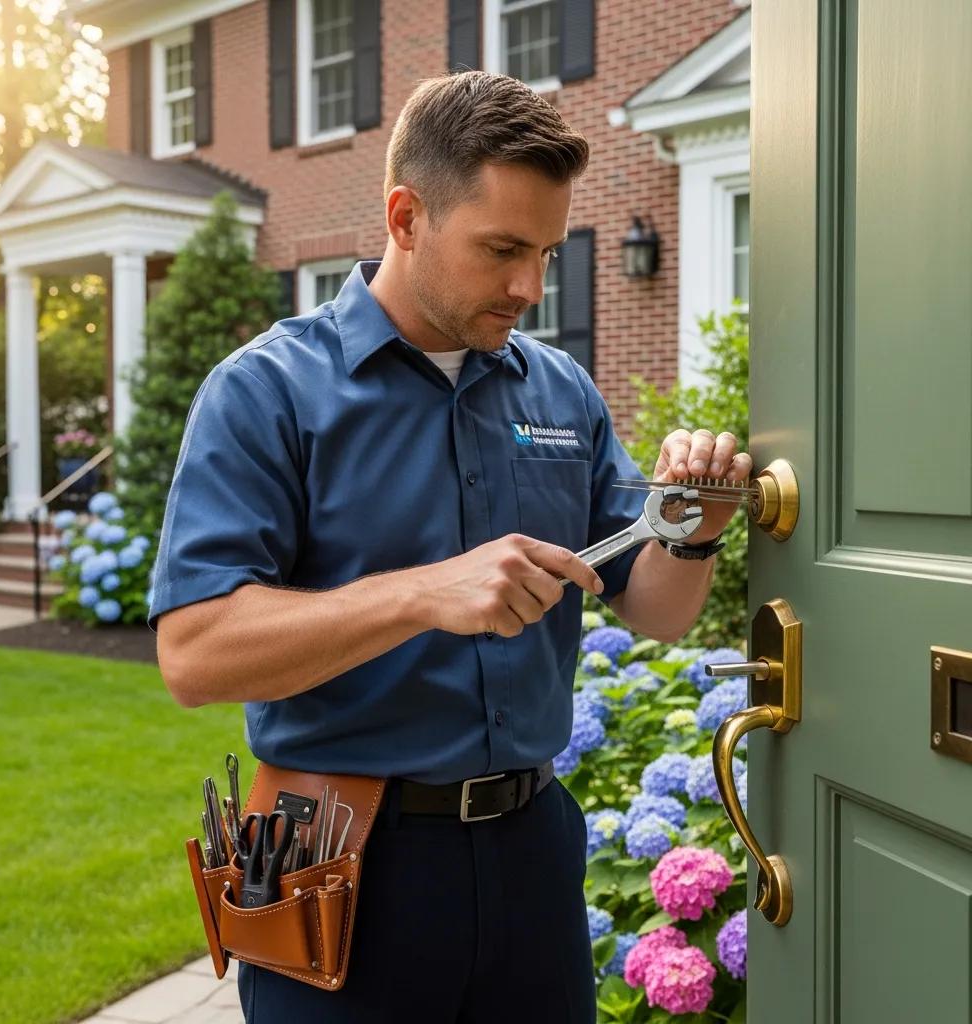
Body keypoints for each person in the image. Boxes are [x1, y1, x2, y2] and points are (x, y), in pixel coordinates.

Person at [151, 70, 752, 1024]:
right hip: (334, 859)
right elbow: (193, 655)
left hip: (533, 848)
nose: (530, 286)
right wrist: (425, 593)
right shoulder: (264, 392)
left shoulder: (561, 393)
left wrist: (696, 530)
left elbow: (657, 610)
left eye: (547, 252)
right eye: (503, 249)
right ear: (404, 215)